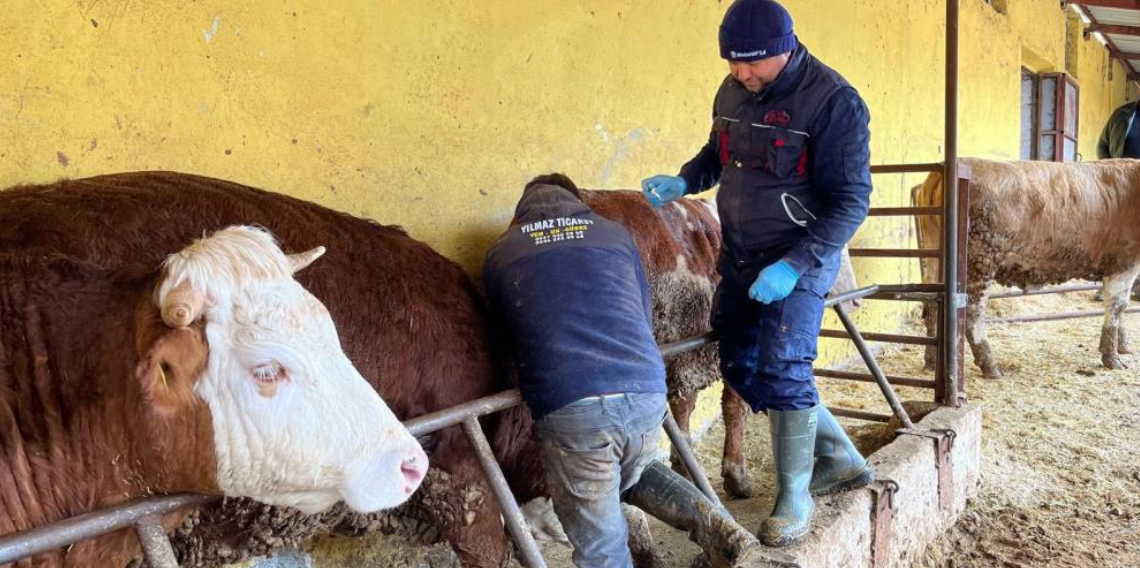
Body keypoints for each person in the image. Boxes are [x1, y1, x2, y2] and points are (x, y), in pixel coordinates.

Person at [639, 0, 874, 547]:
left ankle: (795, 496)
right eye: (732, 62)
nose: (741, 73)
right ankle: (838, 456)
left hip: (800, 258)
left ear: (784, 49)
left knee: (785, 365)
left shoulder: (833, 102)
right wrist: (685, 180)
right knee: (740, 363)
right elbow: (717, 154)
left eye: (753, 62)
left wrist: (794, 266)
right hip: (741, 256)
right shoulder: (732, 92)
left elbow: (851, 202)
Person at [483, 175, 791, 568]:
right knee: (635, 474)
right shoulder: (614, 235)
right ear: (578, 202)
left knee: (602, 549)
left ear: (523, 211)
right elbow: (641, 312)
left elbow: (504, 337)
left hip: (575, 408)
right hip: (646, 390)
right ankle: (720, 529)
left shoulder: (502, 252)